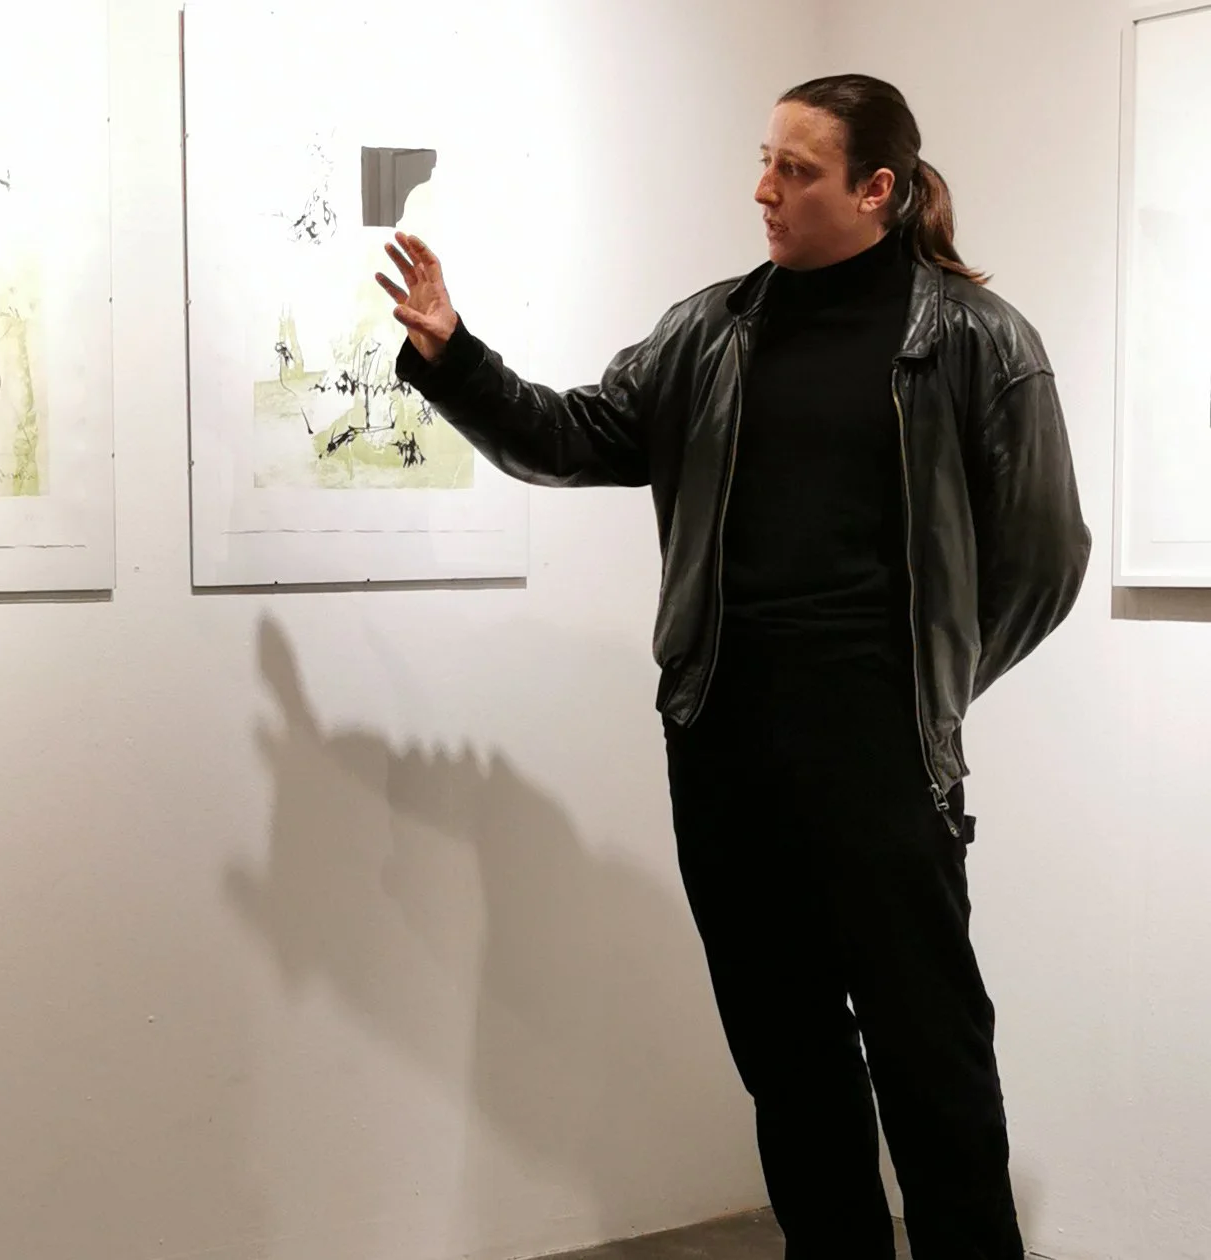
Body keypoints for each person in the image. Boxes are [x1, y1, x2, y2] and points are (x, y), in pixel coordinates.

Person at [376, 74, 1090, 1260]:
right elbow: (574, 435)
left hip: (882, 758)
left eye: (796, 171)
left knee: (932, 1059)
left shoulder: (976, 339)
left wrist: (927, 689)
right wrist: (455, 359)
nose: (764, 190)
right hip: (725, 750)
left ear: (877, 189)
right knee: (789, 1061)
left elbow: (1046, 555)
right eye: (764, 160)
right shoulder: (708, 331)